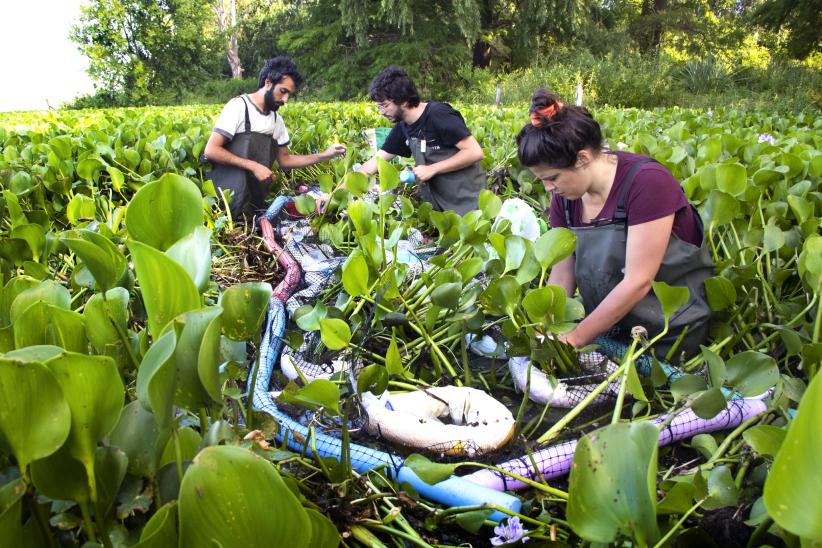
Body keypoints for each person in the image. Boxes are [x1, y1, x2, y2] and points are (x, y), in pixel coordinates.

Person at [517, 89, 713, 360]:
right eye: (542, 181)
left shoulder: (647, 182)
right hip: (607, 329)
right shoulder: (564, 198)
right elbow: (562, 276)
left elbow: (638, 281)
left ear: (582, 158)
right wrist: (545, 328)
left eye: (552, 177)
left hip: (666, 334)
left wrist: (574, 339)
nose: (549, 188)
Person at [204, 56, 345, 218]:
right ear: (268, 83)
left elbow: (285, 161)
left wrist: (326, 155)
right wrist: (254, 166)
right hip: (225, 203)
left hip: (254, 203)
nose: (285, 100)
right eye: (283, 91)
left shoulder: (277, 121)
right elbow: (211, 150)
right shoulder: (238, 107)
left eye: (289, 94)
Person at [356, 66, 486, 216]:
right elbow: (374, 163)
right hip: (440, 209)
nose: (382, 112)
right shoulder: (402, 127)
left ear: (403, 100)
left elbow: (475, 152)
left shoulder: (438, 114)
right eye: (379, 107)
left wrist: (432, 168)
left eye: (385, 106)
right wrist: (332, 195)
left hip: (469, 203)